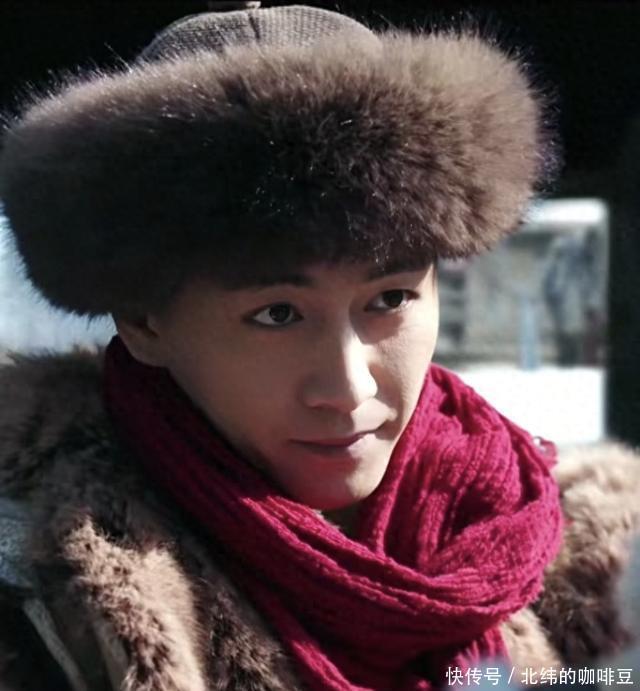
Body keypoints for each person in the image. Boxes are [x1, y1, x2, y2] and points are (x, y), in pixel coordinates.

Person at [0, 4, 638, 690]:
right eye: (277, 314)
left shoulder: (603, 560)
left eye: (390, 299)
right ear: (144, 324)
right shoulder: (39, 593)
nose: (349, 387)